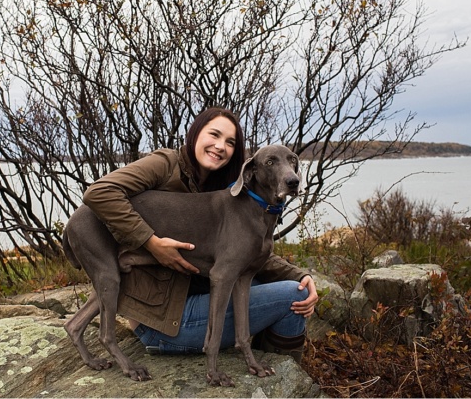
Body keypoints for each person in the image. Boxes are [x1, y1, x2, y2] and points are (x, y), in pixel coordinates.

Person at [82, 107, 318, 359]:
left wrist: (300, 274)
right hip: (165, 320)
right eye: (213, 135)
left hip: (193, 293)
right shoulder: (164, 165)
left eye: (229, 142)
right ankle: (283, 372)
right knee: (293, 296)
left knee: (281, 284)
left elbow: (245, 251)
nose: (220, 146)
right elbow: (99, 192)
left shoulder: (222, 186)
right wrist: (151, 243)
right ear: (195, 134)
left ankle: (264, 361)